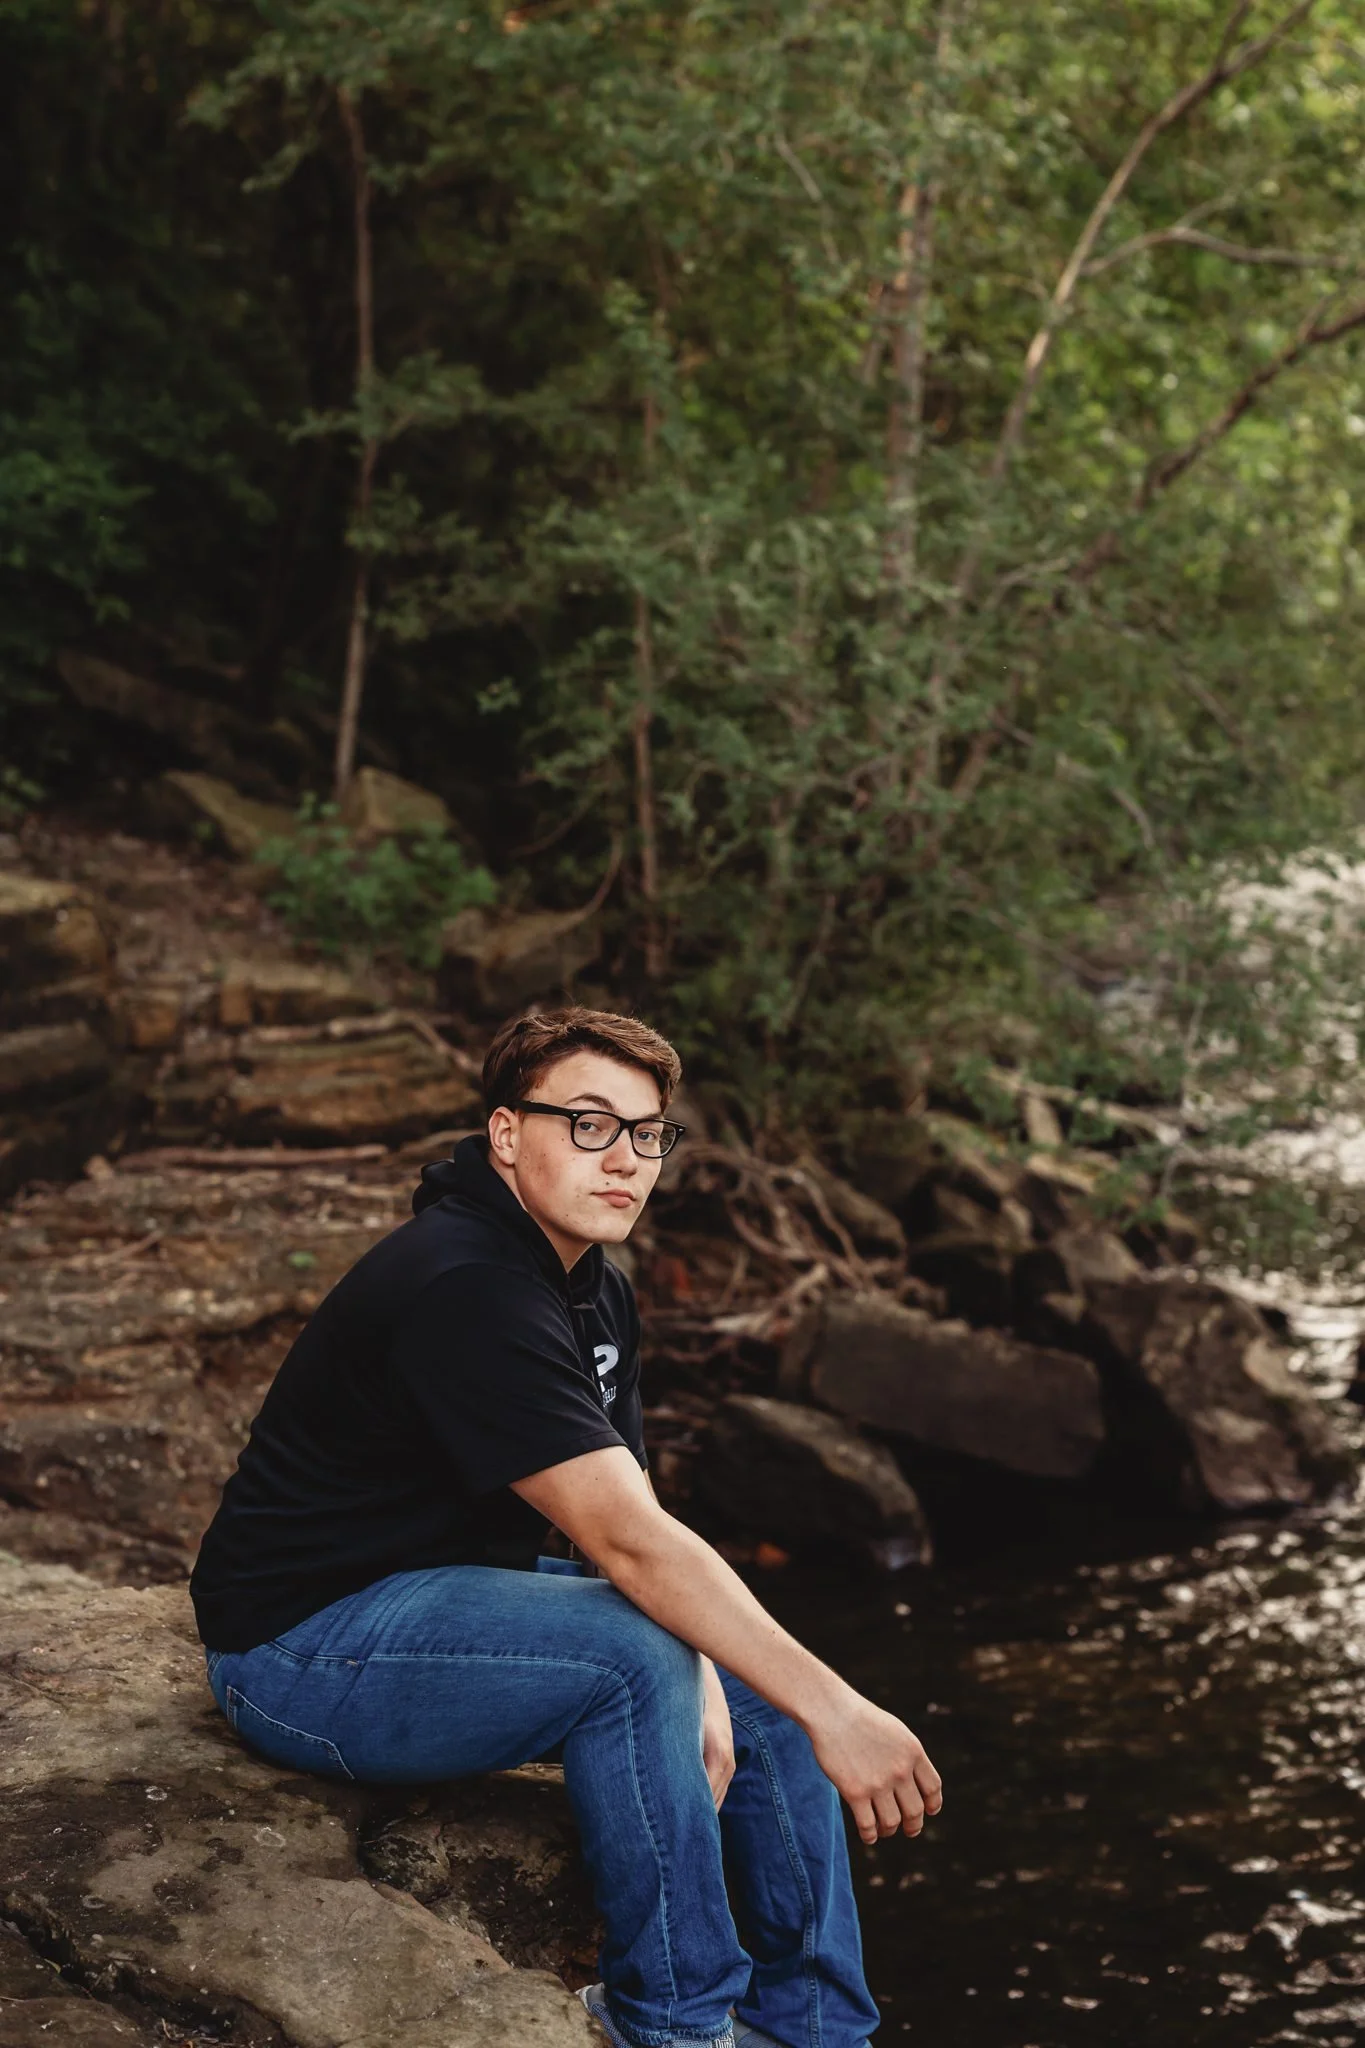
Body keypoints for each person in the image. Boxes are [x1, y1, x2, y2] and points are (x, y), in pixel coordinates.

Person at [191, 1005, 942, 2048]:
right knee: (644, 1651)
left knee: (760, 1679)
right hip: (299, 1647)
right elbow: (629, 1549)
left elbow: (623, 1514)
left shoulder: (594, 1282)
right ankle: (675, 2022)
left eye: (648, 1133)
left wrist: (729, 1681)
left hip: (447, 1607)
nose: (626, 1158)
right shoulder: (465, 1282)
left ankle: (815, 2027)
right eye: (589, 1123)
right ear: (507, 1133)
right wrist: (836, 1708)